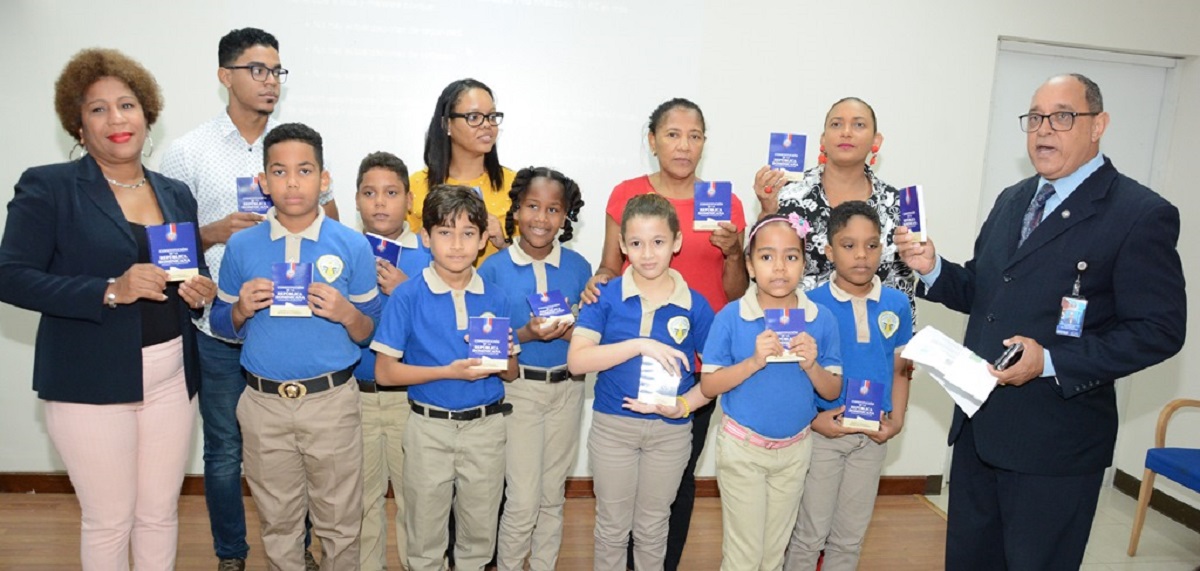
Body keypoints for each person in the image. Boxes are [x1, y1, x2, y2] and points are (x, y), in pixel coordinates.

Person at [895, 74, 1186, 570]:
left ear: (1099, 126)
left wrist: (1050, 360)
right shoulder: (1015, 198)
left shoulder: (1139, 213)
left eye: (1062, 116)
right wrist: (935, 269)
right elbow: (986, 292)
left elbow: (1159, 330)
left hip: (1055, 448)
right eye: (1034, 118)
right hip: (979, 432)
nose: (1044, 130)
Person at [0, 48, 216, 570]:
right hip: (89, 378)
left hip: (171, 377)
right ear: (78, 126)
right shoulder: (50, 186)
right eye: (98, 110)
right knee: (110, 518)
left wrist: (201, 289)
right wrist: (108, 289)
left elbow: (187, 268)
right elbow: (10, 276)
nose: (116, 119)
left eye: (127, 105)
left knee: (160, 514)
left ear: (148, 115)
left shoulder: (175, 192)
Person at [158, 27, 337, 571]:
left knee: (300, 455)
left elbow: (330, 229)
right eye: (257, 70)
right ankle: (231, 556)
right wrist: (212, 233)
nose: (270, 82)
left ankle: (300, 551)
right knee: (225, 453)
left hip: (291, 326)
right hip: (220, 328)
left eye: (277, 71)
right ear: (224, 76)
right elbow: (164, 244)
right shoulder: (187, 152)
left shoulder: (295, 146)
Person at [583, 98, 746, 569]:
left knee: (677, 477)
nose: (684, 145)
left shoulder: (725, 201)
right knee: (618, 502)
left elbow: (735, 293)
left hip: (695, 360)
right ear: (652, 141)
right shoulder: (627, 194)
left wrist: (735, 252)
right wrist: (595, 287)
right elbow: (609, 268)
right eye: (673, 134)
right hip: (631, 363)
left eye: (695, 136)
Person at [210, 123, 381, 570]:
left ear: (324, 180)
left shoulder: (351, 244)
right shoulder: (242, 246)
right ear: (263, 183)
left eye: (304, 170)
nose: (292, 182)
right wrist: (241, 309)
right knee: (278, 521)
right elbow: (221, 326)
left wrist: (346, 312)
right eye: (279, 172)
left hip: (331, 402)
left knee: (341, 522)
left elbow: (371, 331)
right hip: (263, 405)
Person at [372, 184, 519, 571]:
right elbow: (385, 373)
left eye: (468, 233)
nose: (457, 244)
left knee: (479, 534)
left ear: (484, 239)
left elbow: (513, 372)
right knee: (424, 535)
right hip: (428, 428)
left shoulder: (497, 296)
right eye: (445, 232)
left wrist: (504, 353)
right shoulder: (407, 295)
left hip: (486, 429)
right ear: (426, 237)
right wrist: (447, 372)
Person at [569, 193, 716, 571]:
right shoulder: (605, 296)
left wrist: (683, 406)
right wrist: (639, 345)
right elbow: (577, 361)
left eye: (658, 242)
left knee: (652, 528)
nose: (647, 253)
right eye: (635, 243)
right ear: (621, 246)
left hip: (670, 432)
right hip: (613, 429)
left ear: (677, 243)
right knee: (612, 528)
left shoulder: (695, 305)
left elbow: (715, 378)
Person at [699, 213, 843, 571]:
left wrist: (811, 364)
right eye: (766, 257)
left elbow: (833, 389)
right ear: (749, 265)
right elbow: (709, 385)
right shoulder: (732, 316)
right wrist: (753, 362)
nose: (779, 267)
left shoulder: (820, 318)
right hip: (742, 449)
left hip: (795, 450)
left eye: (791, 257)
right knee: (744, 555)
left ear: (804, 263)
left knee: (773, 553)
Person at [787, 201, 913, 571]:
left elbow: (902, 368)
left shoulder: (897, 303)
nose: (861, 255)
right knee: (809, 534)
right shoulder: (810, 304)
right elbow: (796, 373)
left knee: (850, 536)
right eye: (848, 245)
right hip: (824, 435)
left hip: (872, 437)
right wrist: (813, 422)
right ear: (828, 251)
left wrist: (899, 421)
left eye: (871, 245)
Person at [479, 167, 591, 571]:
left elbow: (593, 334)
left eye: (552, 209)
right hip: (519, 391)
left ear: (565, 217)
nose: (541, 218)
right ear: (515, 210)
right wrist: (526, 333)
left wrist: (571, 335)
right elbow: (484, 342)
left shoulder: (579, 267)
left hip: (568, 389)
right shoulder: (492, 270)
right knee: (523, 497)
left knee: (552, 494)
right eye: (531, 206)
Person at [752, 97, 915, 321]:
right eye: (836, 124)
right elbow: (761, 267)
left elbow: (901, 284)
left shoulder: (896, 205)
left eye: (858, 125)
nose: (846, 132)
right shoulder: (788, 195)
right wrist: (767, 210)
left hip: (872, 337)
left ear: (876, 140)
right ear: (823, 139)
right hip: (799, 334)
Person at [353, 151, 432, 571]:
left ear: (409, 200)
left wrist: (405, 289)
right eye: (369, 193)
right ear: (356, 200)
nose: (380, 202)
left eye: (391, 192)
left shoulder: (429, 256)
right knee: (362, 501)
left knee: (415, 499)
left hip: (409, 399)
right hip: (356, 396)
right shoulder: (344, 251)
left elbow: (441, 334)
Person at [407, 78, 515, 265]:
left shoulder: (516, 185)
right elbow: (406, 257)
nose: (487, 125)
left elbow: (532, 262)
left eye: (491, 116)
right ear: (447, 124)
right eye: (474, 117)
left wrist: (502, 242)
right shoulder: (416, 186)